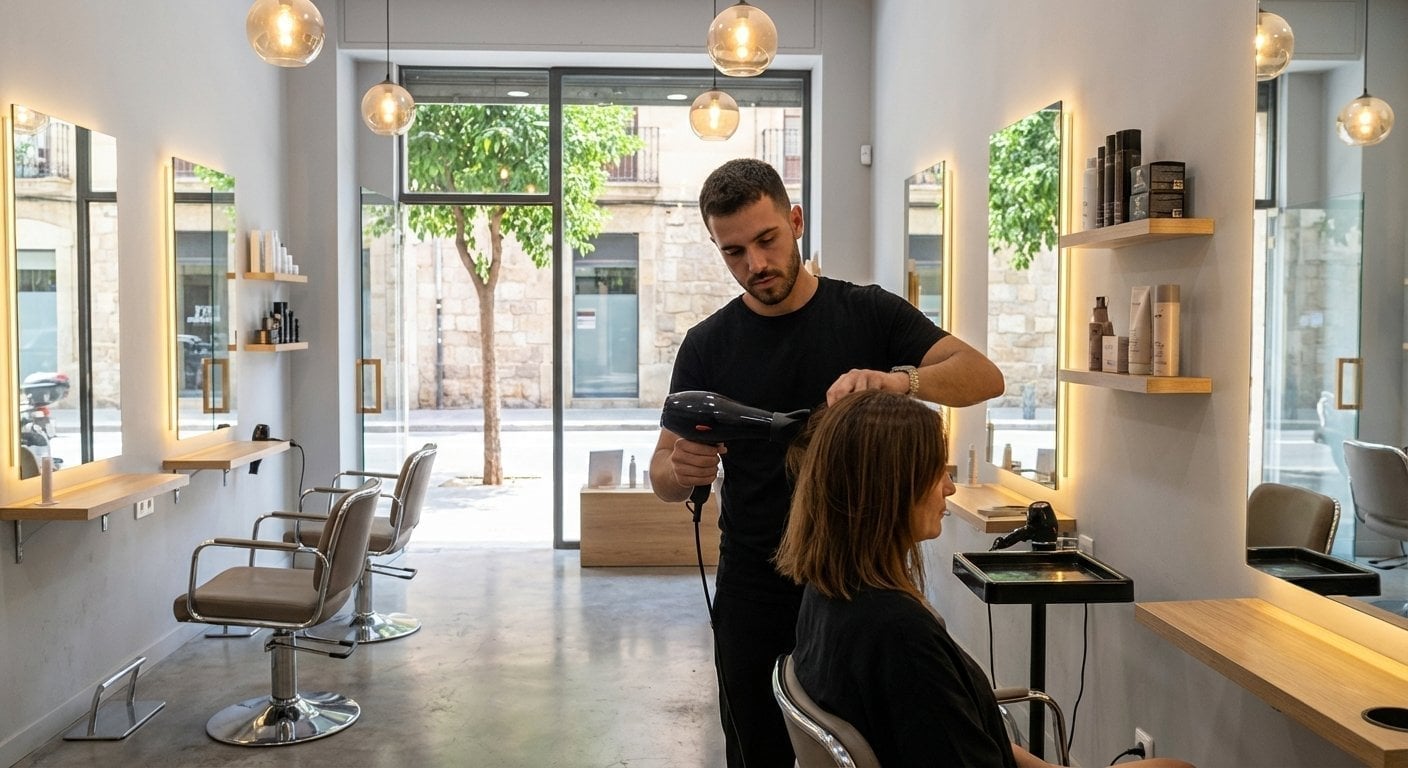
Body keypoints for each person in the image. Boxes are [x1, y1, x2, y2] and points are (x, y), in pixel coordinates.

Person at [650, 158, 1005, 767]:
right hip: (754, 586)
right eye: (734, 252)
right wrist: (679, 469)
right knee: (755, 749)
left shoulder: (867, 313)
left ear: (795, 221)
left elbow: (984, 376)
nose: (755, 264)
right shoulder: (708, 345)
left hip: (856, 584)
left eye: (766, 240)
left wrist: (901, 382)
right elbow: (661, 470)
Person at [776, 390, 1194, 768]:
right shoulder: (898, 634)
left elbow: (959, 729)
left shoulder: (828, 591)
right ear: (891, 487)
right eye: (936, 472)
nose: (950, 488)